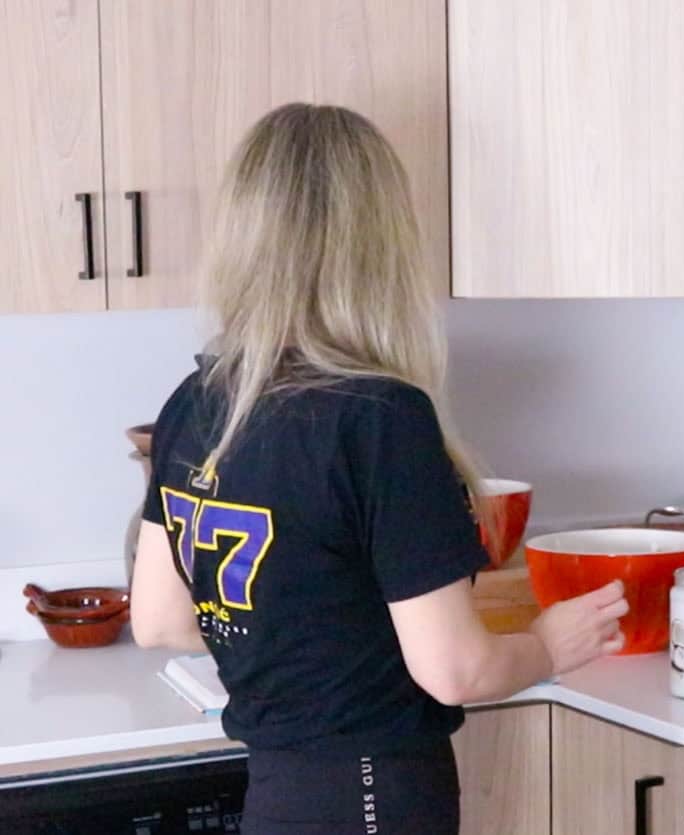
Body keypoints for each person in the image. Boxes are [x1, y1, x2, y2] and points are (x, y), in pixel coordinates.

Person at [130, 103, 628, 835]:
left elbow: (161, 619)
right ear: (379, 243)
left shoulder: (193, 402)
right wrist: (550, 644)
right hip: (375, 791)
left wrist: (307, 636)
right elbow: (455, 669)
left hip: (276, 795)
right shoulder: (380, 416)